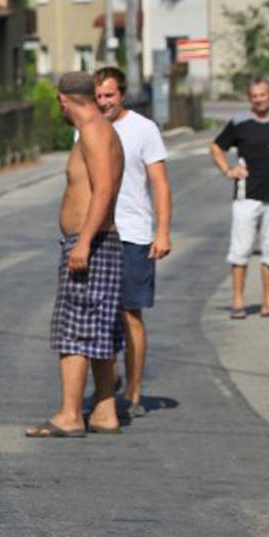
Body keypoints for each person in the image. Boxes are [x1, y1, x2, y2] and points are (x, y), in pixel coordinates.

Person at [25, 72, 125, 438]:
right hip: (98, 242)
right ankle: (104, 411)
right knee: (99, 331)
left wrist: (82, 242)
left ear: (64, 99)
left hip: (92, 244)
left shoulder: (95, 131)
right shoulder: (99, 130)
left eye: (58, 102)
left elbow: (103, 191)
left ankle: (70, 414)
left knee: (74, 332)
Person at [93, 67, 172, 419]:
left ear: (122, 94)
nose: (103, 102)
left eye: (109, 95)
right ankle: (106, 386)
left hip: (134, 234)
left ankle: (134, 391)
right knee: (98, 316)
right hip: (97, 234)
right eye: (97, 96)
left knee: (130, 314)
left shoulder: (143, 129)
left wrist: (163, 231)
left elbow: (161, 184)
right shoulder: (88, 130)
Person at [208, 76, 269, 319]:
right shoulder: (239, 123)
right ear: (249, 99)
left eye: (263, 95)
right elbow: (215, 147)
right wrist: (228, 170)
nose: (259, 100)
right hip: (246, 196)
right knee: (241, 250)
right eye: (255, 96)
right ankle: (238, 301)